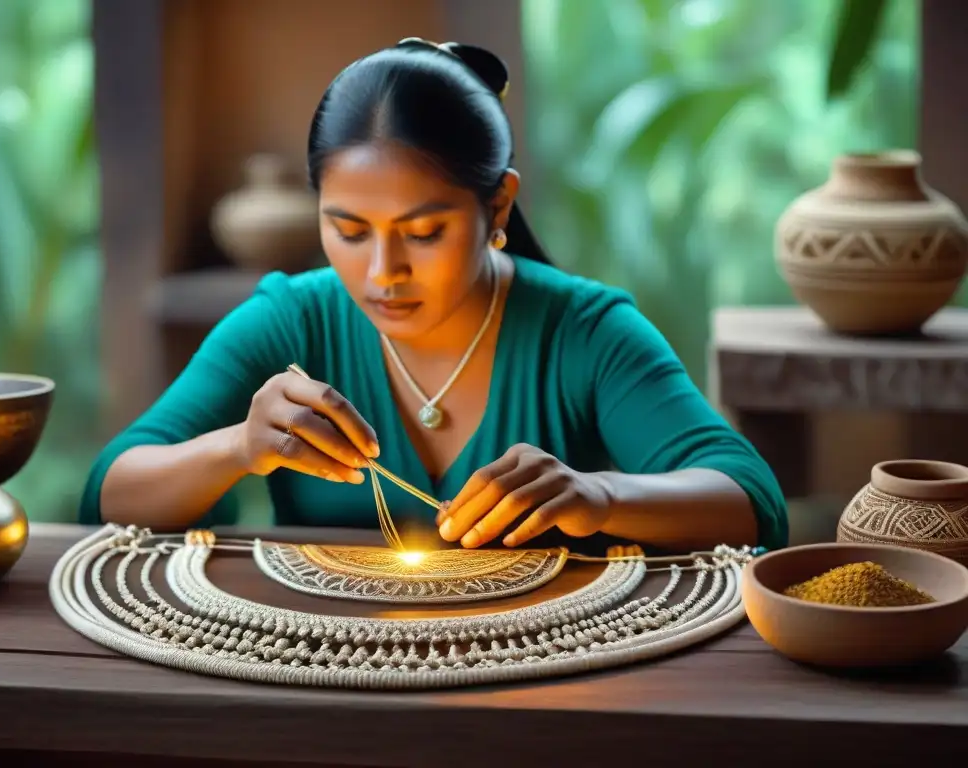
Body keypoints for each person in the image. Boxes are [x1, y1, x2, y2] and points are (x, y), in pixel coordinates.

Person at [79, 38, 788, 553]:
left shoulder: (585, 330)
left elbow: (750, 502)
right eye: (348, 230)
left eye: (424, 232)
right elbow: (108, 494)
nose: (383, 271)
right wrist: (238, 447)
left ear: (498, 207)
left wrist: (598, 495)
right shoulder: (291, 320)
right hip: (322, 674)